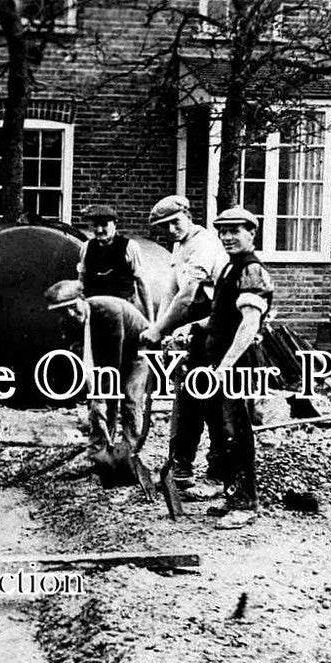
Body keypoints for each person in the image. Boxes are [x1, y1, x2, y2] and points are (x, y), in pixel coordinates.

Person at [140, 195, 230, 493]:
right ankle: (181, 470)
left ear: (188, 216)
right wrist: (161, 329)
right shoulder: (180, 246)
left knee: (214, 401)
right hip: (192, 332)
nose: (171, 230)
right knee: (186, 399)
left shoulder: (203, 243)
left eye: (175, 222)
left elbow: (189, 294)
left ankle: (219, 475)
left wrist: (162, 328)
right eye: (165, 226)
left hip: (216, 327)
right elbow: (171, 290)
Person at [201, 206, 275, 528]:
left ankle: (245, 504)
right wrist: (189, 328)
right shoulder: (230, 269)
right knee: (222, 432)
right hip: (222, 363)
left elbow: (248, 325)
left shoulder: (251, 271)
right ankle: (232, 496)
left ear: (252, 234)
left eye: (236, 231)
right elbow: (223, 317)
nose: (228, 237)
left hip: (238, 365)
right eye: (223, 231)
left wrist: (225, 365)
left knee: (237, 433)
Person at [45, 279, 151, 483]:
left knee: (129, 397)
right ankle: (99, 450)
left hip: (138, 348)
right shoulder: (68, 320)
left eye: (72, 308)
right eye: (62, 311)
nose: (70, 314)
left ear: (81, 301)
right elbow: (78, 352)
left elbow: (113, 366)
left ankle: (128, 452)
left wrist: (102, 398)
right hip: (106, 352)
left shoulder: (108, 312)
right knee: (98, 400)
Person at [76, 205, 151, 315]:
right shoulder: (86, 247)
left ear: (115, 224)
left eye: (104, 225)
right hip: (94, 309)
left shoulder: (130, 247)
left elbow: (142, 284)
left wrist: (151, 321)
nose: (99, 230)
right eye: (95, 225)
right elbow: (81, 281)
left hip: (122, 310)